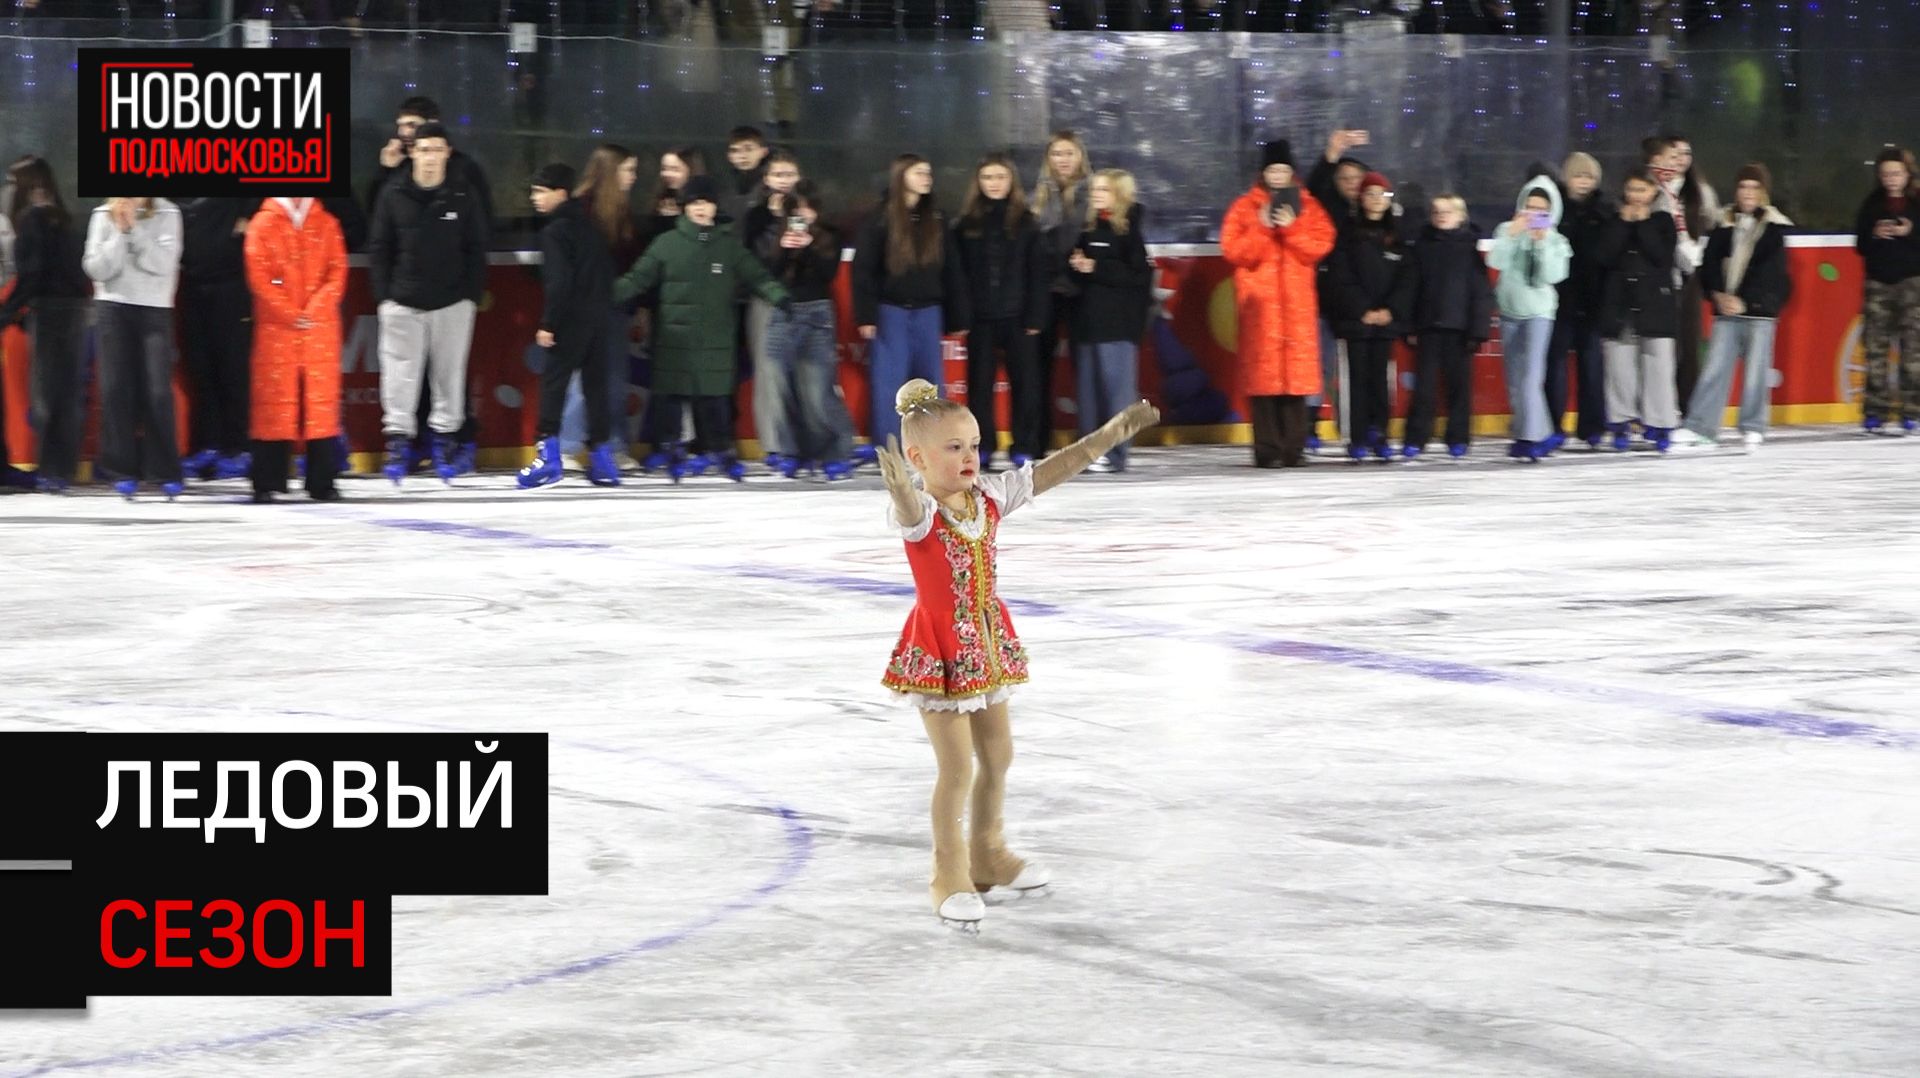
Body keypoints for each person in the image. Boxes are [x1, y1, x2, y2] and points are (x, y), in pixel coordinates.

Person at [874, 378, 1159, 932]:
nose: (969, 457)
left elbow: (1049, 472)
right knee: (955, 768)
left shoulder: (988, 497)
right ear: (917, 456)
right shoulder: (924, 513)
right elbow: (909, 513)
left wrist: (1103, 437)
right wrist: (903, 491)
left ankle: (988, 853)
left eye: (975, 444)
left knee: (998, 755)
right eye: (954, 447)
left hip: (985, 640)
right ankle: (947, 871)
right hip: (939, 646)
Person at [611, 175, 790, 482]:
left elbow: (756, 275)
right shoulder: (667, 244)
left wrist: (779, 296)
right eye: (694, 203)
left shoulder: (727, 246)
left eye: (705, 202)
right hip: (674, 338)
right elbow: (638, 278)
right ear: (684, 208)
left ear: (714, 206)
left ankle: (721, 450)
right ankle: (669, 448)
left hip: (715, 339)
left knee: (714, 399)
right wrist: (607, 295)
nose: (700, 209)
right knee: (670, 398)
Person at [368, 121, 490, 484]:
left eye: (437, 149)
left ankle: (444, 446)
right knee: (399, 378)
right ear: (412, 153)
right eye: (424, 150)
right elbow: (379, 248)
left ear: (447, 153)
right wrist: (385, 297)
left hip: (452, 303)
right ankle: (398, 447)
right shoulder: (393, 193)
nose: (430, 157)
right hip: (402, 303)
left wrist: (469, 296)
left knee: (449, 377)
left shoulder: (463, 195)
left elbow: (476, 248)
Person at [1219, 139, 1337, 468]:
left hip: (1297, 309)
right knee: (1264, 383)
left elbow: (1321, 244)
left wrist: (1292, 228)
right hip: (1260, 309)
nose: (1278, 175)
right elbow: (1234, 251)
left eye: (1284, 170)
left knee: (1294, 384)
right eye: (1273, 170)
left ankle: (1294, 449)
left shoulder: (1309, 205)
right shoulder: (1244, 207)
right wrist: (1261, 226)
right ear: (1263, 173)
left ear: (1291, 173)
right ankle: (1267, 450)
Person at [1674, 164, 1794, 450]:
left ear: (1763, 192)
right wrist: (1718, 295)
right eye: (1743, 187)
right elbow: (1710, 264)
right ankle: (1701, 426)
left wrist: (1745, 300)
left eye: (1754, 187)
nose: (1748, 193)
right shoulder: (1723, 223)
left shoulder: (1774, 228)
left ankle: (1753, 425)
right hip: (1726, 312)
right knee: (1714, 369)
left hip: (1758, 313)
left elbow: (1770, 273)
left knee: (1756, 372)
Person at [852, 154, 966, 454]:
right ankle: (889, 445)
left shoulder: (937, 219)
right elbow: (863, 270)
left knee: (931, 384)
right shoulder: (880, 218)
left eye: (928, 172)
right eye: (919, 172)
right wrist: (866, 315)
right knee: (889, 383)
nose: (927, 177)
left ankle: (932, 444)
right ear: (901, 176)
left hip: (929, 312)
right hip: (891, 312)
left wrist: (958, 317)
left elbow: (952, 269)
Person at [520, 163, 620, 489]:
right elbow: (606, 272)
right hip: (600, 318)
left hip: (571, 318)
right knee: (595, 387)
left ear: (560, 193)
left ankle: (548, 456)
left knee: (554, 383)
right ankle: (603, 459)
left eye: (540, 191)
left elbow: (559, 282)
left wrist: (549, 322)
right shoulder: (591, 226)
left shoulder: (555, 231)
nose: (535, 198)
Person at [243, 197, 348, 503]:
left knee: (320, 404)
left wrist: (314, 309)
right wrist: (290, 312)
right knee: (274, 400)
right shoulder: (262, 224)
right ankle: (267, 479)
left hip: (319, 328)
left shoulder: (327, 223)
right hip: (277, 327)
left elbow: (336, 271)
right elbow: (259, 278)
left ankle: (322, 479)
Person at [82, 196, 185, 499]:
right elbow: (95, 268)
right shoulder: (102, 214)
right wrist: (120, 233)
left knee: (157, 390)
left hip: (154, 308)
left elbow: (163, 264)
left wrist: (135, 231)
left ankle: (164, 470)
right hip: (113, 308)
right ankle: (120, 469)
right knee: (115, 389)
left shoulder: (168, 212)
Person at [952, 153, 1050, 471]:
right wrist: (962, 316)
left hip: (1019, 317)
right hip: (980, 319)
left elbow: (1037, 273)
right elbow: (958, 276)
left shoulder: (1027, 222)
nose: (994, 184)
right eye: (988, 178)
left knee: (1026, 385)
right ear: (978, 183)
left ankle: (1024, 445)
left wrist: (1036, 316)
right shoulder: (964, 225)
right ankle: (983, 446)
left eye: (1000, 177)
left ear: (1012, 182)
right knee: (979, 387)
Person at [0, 157, 91, 492]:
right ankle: (62, 468)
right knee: (67, 391)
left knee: (46, 393)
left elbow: (32, 272)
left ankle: (51, 468)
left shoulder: (33, 219)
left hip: (49, 312)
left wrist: (8, 312)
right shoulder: (60, 217)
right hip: (73, 309)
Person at [762, 181, 858, 479]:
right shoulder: (777, 234)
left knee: (818, 391)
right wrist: (783, 249)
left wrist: (809, 248)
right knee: (779, 387)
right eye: (796, 208)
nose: (802, 214)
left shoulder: (830, 236)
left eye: (807, 207)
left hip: (817, 314)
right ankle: (791, 451)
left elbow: (828, 273)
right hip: (782, 313)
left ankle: (837, 449)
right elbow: (768, 273)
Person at [1067, 168, 1152, 473]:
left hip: (1117, 326)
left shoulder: (1129, 231)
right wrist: (1076, 266)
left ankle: (1116, 454)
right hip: (1087, 325)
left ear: (1119, 194)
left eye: (1104, 189)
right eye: (1095, 189)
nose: (1096, 194)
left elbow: (1139, 276)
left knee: (1117, 393)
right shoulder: (1088, 228)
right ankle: (1087, 455)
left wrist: (1096, 268)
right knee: (1088, 395)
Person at [1324, 171, 1411, 462]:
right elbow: (1340, 276)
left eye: (1382, 195)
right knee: (1356, 381)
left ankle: (1380, 433)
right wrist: (1363, 310)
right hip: (1356, 322)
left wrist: (1390, 310)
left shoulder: (1397, 235)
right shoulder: (1346, 233)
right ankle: (1357, 436)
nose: (1376, 200)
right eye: (1370, 194)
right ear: (1360, 199)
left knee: (1381, 381)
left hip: (1385, 323)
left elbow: (1408, 280)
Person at [1401, 195, 1494, 460]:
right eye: (1437, 212)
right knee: (1424, 389)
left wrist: (1477, 331)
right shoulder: (1421, 247)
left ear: (1461, 216)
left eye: (1448, 211)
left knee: (1459, 388)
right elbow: (1411, 289)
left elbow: (1480, 293)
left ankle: (1458, 437)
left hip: (1459, 330)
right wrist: (1409, 325)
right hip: (1428, 328)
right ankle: (1416, 437)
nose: (1442, 216)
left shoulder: (1469, 250)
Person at [1488, 177, 1572, 462]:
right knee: (1514, 380)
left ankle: (1533, 436)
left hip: (1539, 314)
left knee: (1531, 378)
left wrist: (1543, 243)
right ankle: (1533, 433)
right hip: (1510, 311)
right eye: (1529, 207)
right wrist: (1511, 235)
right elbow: (1495, 262)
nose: (1533, 214)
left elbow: (1552, 276)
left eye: (1541, 210)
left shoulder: (1558, 240)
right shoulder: (1506, 230)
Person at [1596, 168, 1681, 453]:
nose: (1636, 196)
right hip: (1619, 305)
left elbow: (1662, 257)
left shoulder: (1663, 222)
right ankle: (1621, 423)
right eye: (1631, 190)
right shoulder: (1612, 220)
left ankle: (1660, 424)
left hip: (1655, 305)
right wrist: (1623, 223)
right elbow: (1604, 256)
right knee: (1620, 369)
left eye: (1642, 190)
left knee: (1658, 368)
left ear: (1653, 193)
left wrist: (1642, 225)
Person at [176, 198, 260, 482]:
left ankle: (238, 447)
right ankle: (207, 446)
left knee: (233, 369)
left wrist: (251, 215)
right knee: (201, 370)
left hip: (232, 285)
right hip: (193, 286)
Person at [742, 149, 806, 471]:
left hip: (803, 300)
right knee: (769, 376)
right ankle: (775, 445)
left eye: (789, 174)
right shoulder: (755, 216)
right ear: (766, 179)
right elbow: (751, 261)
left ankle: (803, 442)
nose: (783, 181)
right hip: (766, 299)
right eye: (777, 175)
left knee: (803, 374)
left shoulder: (807, 210)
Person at [1549, 152, 1614, 450]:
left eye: (1589, 177)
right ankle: (1553, 424)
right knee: (1556, 364)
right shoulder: (1555, 209)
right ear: (1567, 178)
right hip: (1559, 297)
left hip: (1592, 297)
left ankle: (1592, 426)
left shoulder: (1604, 211)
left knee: (1591, 364)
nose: (1584, 182)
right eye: (1578, 175)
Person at [1854, 146, 1920, 434]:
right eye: (1886, 174)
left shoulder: (1917, 203)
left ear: (1907, 174)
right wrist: (1874, 234)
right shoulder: (1871, 204)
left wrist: (1911, 231)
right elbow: (1860, 245)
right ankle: (1875, 411)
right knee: (1876, 351)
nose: (1891, 179)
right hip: (1878, 283)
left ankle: (1912, 411)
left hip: (1912, 283)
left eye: (1896, 173)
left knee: (1914, 351)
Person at [1031, 131, 1090, 396]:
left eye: (1069, 153)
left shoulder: (1093, 192)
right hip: (1046, 291)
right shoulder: (1038, 197)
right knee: (1039, 367)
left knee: (1087, 366)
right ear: (1048, 158)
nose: (1063, 160)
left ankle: (1094, 433)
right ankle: (1038, 436)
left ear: (1080, 156)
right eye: (1057, 154)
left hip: (1083, 290)